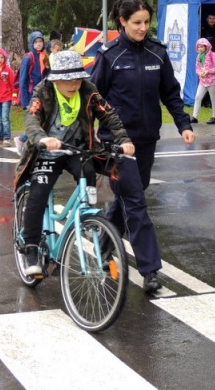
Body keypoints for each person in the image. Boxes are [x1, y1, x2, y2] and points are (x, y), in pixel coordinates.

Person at [90, 0, 196, 293]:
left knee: (128, 197)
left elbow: (171, 93)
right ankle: (150, 270)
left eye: (147, 22)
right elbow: (93, 97)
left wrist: (183, 125)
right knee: (136, 203)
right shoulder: (110, 55)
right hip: (118, 143)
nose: (142, 28)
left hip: (147, 140)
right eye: (136, 22)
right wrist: (95, 131)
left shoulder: (157, 53)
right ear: (122, 22)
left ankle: (102, 245)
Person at [13, 50, 136, 278]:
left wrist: (124, 140)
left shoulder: (88, 90)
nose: (74, 84)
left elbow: (109, 115)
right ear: (56, 79)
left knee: (89, 173)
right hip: (47, 151)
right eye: (67, 79)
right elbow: (31, 118)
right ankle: (30, 247)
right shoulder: (44, 91)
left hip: (76, 149)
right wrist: (41, 138)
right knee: (39, 193)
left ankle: (84, 219)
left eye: (77, 78)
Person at [190, 38, 215, 124]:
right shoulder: (199, 56)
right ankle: (195, 117)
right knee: (197, 97)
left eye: (202, 47)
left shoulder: (213, 55)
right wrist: (199, 73)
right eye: (198, 47)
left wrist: (209, 71)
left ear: (206, 47)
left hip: (213, 81)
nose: (200, 49)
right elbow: (197, 68)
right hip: (203, 81)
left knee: (213, 98)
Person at [18, 31, 48, 109]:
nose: (39, 44)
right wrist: (25, 102)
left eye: (40, 41)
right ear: (32, 43)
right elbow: (23, 80)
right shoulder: (28, 58)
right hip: (31, 93)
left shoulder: (45, 56)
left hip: (42, 92)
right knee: (33, 118)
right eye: (36, 42)